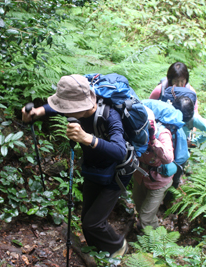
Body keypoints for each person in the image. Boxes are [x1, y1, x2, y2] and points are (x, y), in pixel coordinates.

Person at [21, 74, 129, 258]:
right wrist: (39, 111)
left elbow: (120, 152)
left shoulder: (111, 115)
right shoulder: (76, 108)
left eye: (66, 108)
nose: (64, 112)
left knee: (93, 223)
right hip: (94, 168)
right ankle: (97, 251)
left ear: (82, 106)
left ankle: (119, 247)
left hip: (117, 173)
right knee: (86, 219)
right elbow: (58, 108)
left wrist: (86, 138)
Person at [150, 62, 206, 146]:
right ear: (170, 79)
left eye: (182, 81)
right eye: (176, 81)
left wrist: (192, 140)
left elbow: (193, 114)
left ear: (186, 80)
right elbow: (149, 109)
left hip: (182, 137)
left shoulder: (190, 93)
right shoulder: (160, 90)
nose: (179, 85)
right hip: (161, 135)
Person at [132, 107, 174, 230]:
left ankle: (156, 244)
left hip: (159, 180)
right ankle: (151, 231)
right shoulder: (132, 130)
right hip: (140, 176)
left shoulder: (162, 133)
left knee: (146, 217)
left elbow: (168, 158)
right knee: (140, 207)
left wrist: (153, 141)